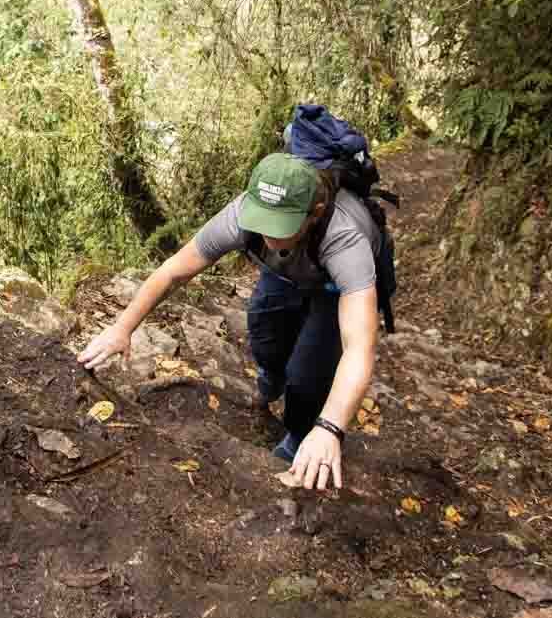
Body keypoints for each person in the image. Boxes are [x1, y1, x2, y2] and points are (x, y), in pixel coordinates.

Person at [77, 119, 382, 492]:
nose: (267, 233)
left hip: (332, 286)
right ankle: (272, 379)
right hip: (284, 270)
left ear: (315, 212)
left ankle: (299, 436)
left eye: (280, 224)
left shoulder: (346, 239)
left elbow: (360, 346)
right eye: (262, 222)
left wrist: (330, 427)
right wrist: (122, 328)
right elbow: (175, 270)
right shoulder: (243, 214)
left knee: (308, 376)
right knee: (263, 334)